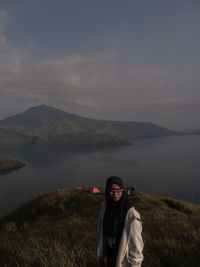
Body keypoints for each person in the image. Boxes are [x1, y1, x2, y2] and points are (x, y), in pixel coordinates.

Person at [97, 176, 144, 267]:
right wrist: (101, 255)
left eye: (119, 191)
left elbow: (136, 245)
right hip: (110, 253)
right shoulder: (105, 208)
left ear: (123, 191)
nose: (115, 194)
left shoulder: (131, 215)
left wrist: (135, 264)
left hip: (123, 259)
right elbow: (101, 232)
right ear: (107, 191)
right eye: (112, 191)